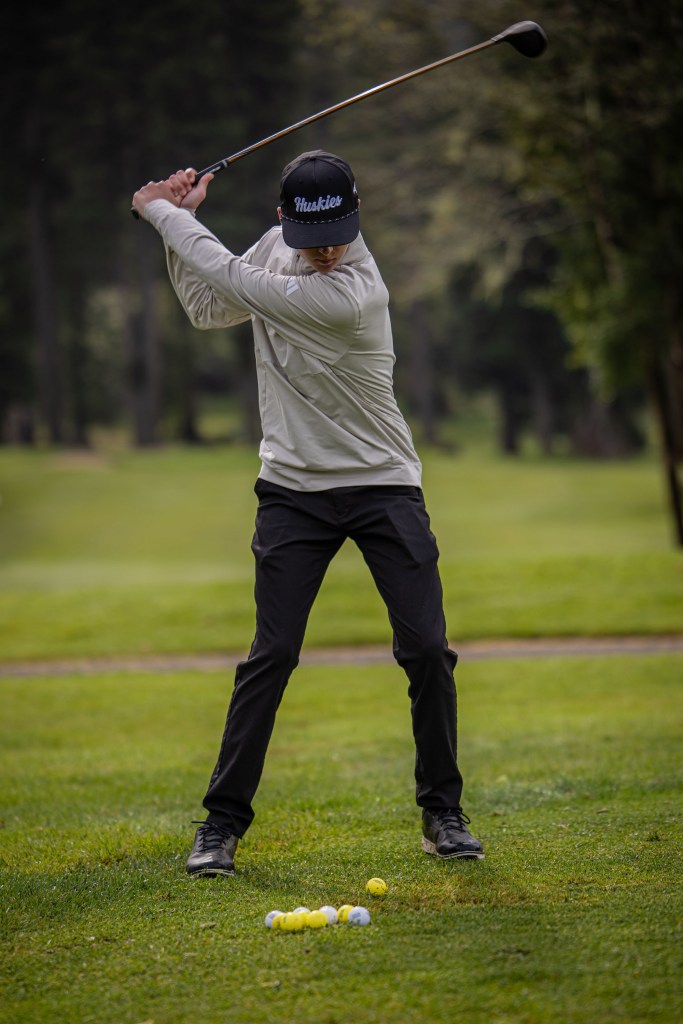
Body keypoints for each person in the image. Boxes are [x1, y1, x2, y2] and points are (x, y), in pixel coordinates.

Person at [131, 150, 484, 875]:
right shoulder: (275, 249)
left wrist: (160, 211)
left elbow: (232, 279)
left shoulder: (354, 293)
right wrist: (181, 227)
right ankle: (220, 826)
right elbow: (208, 307)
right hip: (292, 489)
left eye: (338, 237)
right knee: (272, 654)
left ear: (356, 220)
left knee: (426, 648)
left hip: (383, 484)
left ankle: (442, 813)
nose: (326, 252)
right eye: (313, 239)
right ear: (285, 221)